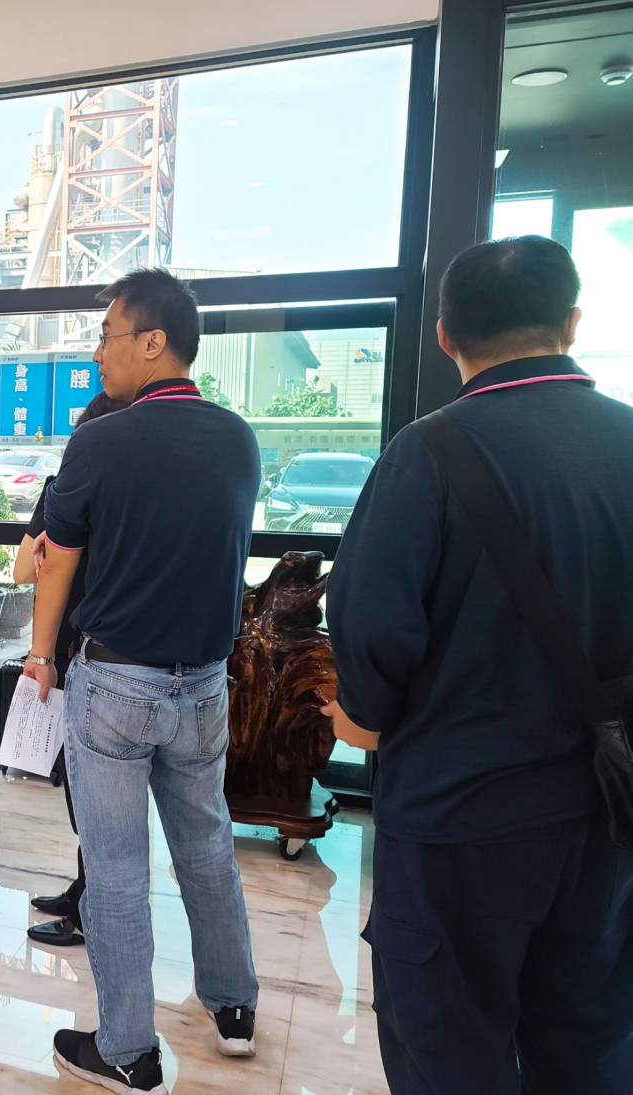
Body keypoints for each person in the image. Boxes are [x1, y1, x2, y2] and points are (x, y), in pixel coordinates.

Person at [326, 236, 633, 1095]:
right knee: (589, 1034)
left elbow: (368, 624)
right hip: (609, 809)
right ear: (571, 322)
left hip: (459, 816)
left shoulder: (428, 452)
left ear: (442, 335)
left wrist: (363, 713)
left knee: (449, 1043)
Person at [23, 269, 261, 1093]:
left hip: (117, 684)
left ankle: (127, 1049)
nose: (97, 354)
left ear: (153, 341)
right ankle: (233, 1006)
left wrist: (42, 653)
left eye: (107, 336)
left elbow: (57, 560)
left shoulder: (102, 441)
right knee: (207, 846)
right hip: (204, 684)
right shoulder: (238, 438)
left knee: (117, 867)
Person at [13, 391, 128, 948]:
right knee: (97, 795)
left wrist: (47, 558)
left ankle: (88, 907)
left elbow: (22, 570)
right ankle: (84, 891)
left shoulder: (66, 488)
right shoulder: (138, 494)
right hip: (110, 651)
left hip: (74, 652)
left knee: (89, 793)